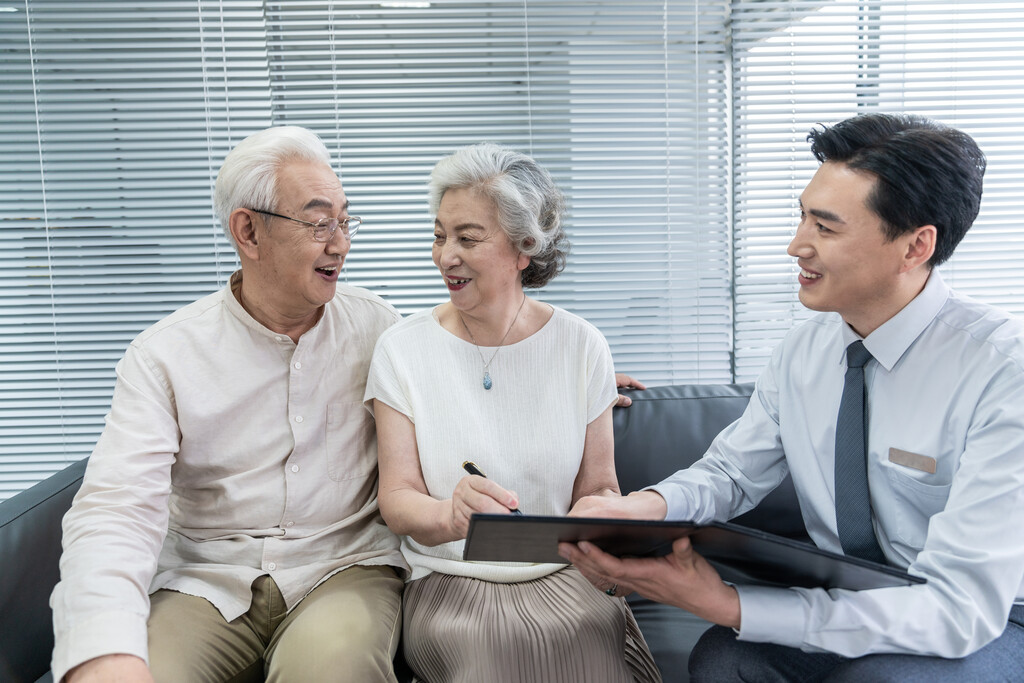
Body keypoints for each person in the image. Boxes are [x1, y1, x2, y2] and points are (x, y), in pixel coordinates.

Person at [560, 113, 1024, 681]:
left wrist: (731, 604)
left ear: (915, 246)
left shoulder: (1004, 371)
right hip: (855, 596)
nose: (795, 245)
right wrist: (642, 509)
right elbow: (731, 473)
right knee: (724, 658)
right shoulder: (804, 350)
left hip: (992, 615)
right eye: (802, 216)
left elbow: (959, 609)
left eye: (825, 229)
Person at [51, 126, 408, 683]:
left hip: (343, 568)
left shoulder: (380, 329)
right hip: (204, 580)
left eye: (344, 220)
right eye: (319, 222)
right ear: (248, 231)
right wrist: (102, 650)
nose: (340, 243)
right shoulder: (164, 355)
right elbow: (116, 509)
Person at [365, 142, 661, 682]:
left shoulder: (581, 345)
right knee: (490, 658)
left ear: (524, 248)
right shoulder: (401, 349)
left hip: (565, 575)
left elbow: (600, 487)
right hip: (451, 583)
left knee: (584, 645)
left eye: (467, 238)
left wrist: (601, 522)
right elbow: (398, 500)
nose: (444, 255)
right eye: (438, 235)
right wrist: (450, 516)